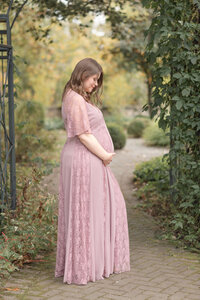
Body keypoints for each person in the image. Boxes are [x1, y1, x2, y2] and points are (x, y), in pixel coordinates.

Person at [55, 57, 130, 285]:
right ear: (82, 74)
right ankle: (85, 267)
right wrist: (105, 155)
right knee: (88, 212)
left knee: (95, 210)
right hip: (84, 160)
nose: (95, 84)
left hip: (85, 159)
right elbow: (84, 134)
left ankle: (90, 263)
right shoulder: (75, 98)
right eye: (94, 78)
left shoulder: (75, 97)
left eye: (98, 80)